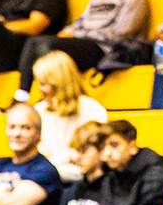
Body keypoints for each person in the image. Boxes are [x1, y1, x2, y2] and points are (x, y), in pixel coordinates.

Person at [15, 0, 149, 93]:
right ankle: (22, 95)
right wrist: (69, 31)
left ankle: (54, 95)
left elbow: (123, 33)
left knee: (49, 46)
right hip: (85, 41)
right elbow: (80, 22)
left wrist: (83, 34)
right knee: (34, 41)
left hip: (106, 49)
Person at [64, 118, 163, 205]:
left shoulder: (154, 176)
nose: (107, 153)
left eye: (114, 145)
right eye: (103, 147)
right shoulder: (112, 176)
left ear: (132, 147)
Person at [28, 50, 109, 182]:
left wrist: (49, 167)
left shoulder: (92, 109)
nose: (40, 90)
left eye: (43, 84)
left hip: (79, 180)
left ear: (58, 83)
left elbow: (93, 162)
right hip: (43, 180)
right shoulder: (38, 111)